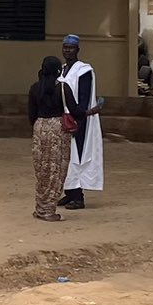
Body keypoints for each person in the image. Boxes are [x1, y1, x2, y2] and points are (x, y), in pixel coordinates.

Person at [61, 36, 103, 208]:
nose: (67, 51)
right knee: (66, 156)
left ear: (78, 50)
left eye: (71, 48)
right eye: (65, 47)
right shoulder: (63, 69)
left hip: (81, 118)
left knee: (79, 155)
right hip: (64, 117)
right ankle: (69, 192)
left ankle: (78, 197)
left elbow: (84, 97)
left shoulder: (84, 70)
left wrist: (79, 118)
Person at [28, 55, 71, 220]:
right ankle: (48, 210)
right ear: (59, 70)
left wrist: (40, 126)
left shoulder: (34, 88)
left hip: (39, 128)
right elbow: (74, 109)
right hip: (57, 129)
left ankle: (40, 208)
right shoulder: (62, 88)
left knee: (42, 169)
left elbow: (31, 115)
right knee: (56, 169)